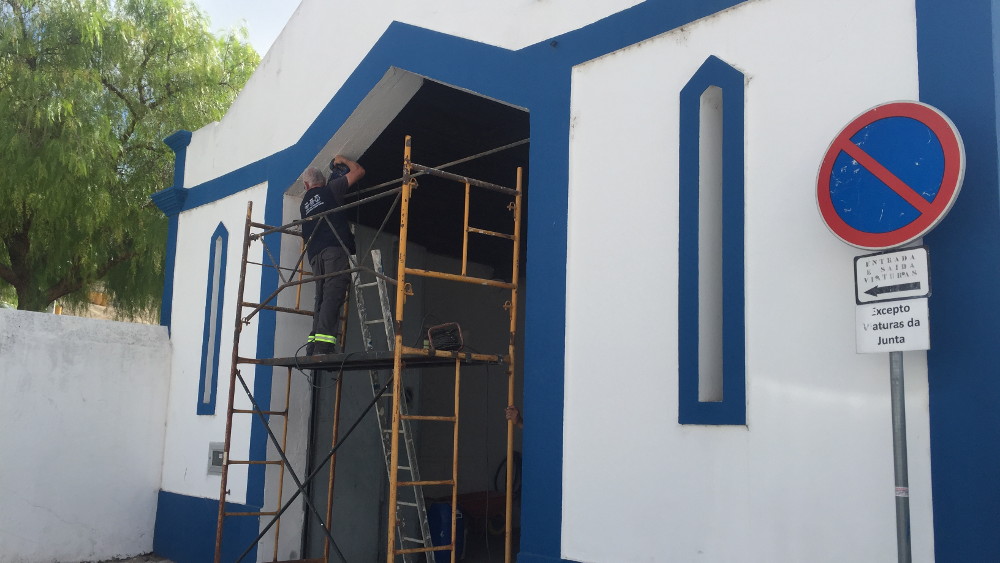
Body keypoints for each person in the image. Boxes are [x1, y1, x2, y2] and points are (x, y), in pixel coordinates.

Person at [300, 155, 365, 355]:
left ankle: (313, 345)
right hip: (333, 250)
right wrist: (343, 159)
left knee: (321, 297)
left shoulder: (304, 204)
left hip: (314, 254)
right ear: (324, 181)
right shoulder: (331, 189)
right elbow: (360, 171)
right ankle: (324, 345)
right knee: (333, 293)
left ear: (305, 185)